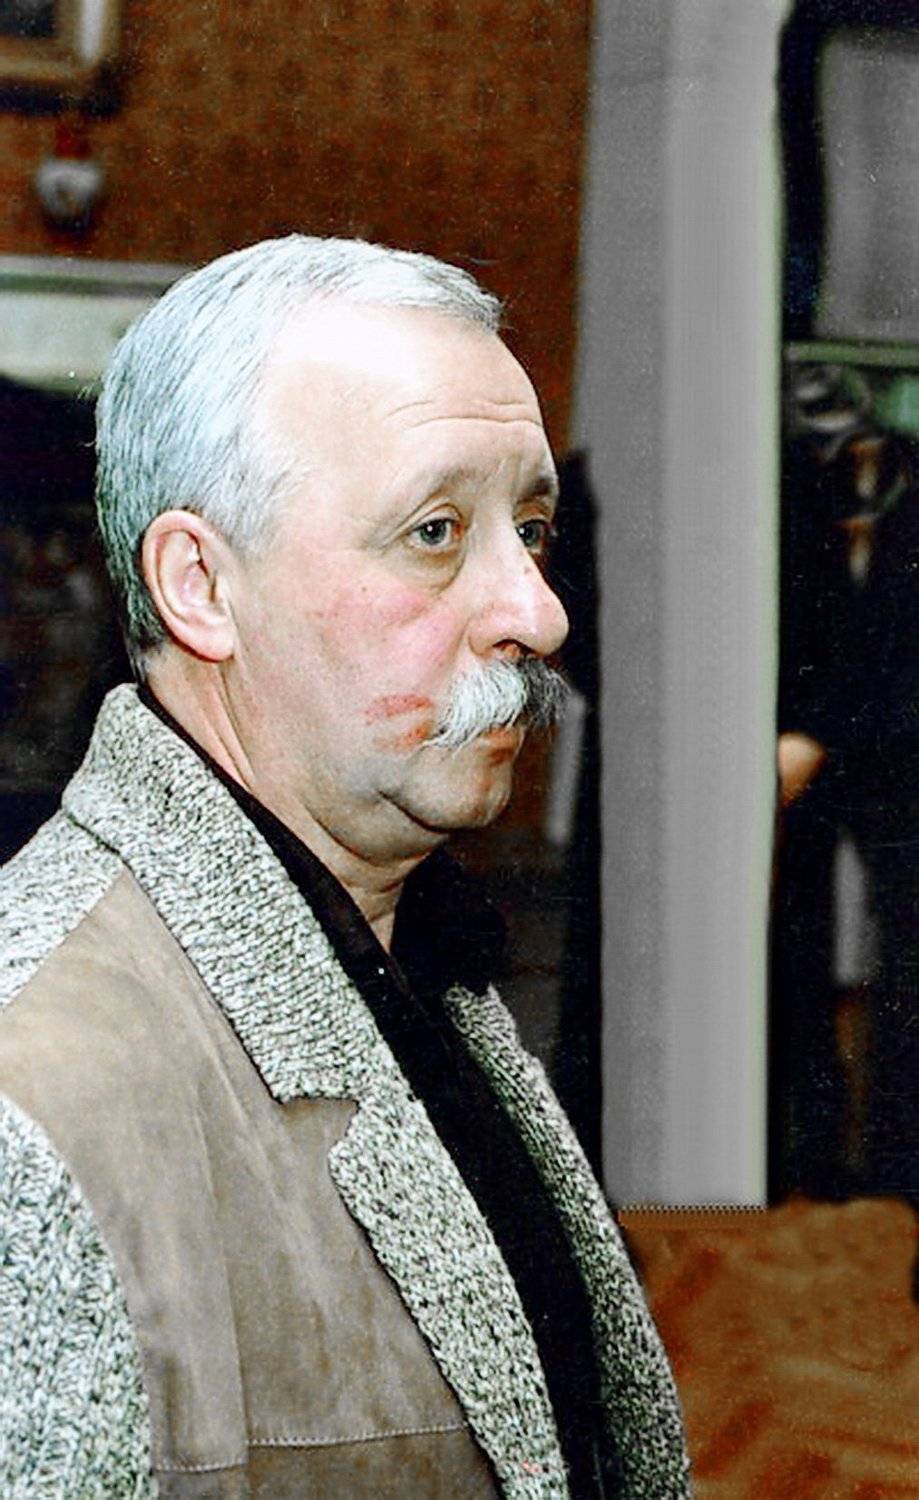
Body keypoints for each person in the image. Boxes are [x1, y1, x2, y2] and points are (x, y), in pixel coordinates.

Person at [0, 236, 689, 1497]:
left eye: (530, 529)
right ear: (201, 586)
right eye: (434, 532)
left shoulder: (410, 940)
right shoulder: (27, 1109)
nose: (538, 613)